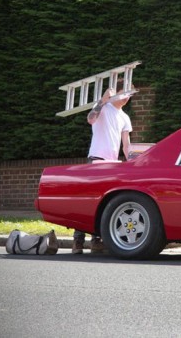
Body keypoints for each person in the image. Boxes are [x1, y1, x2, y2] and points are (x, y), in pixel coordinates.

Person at [72, 87, 133, 254]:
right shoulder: (103, 108)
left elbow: (126, 145)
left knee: (103, 202)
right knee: (87, 201)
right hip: (97, 160)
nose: (126, 97)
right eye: (123, 93)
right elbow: (90, 119)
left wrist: (133, 162)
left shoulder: (125, 117)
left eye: (129, 94)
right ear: (114, 94)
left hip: (112, 164)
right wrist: (102, 101)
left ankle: (96, 241)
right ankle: (78, 241)